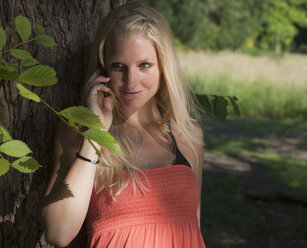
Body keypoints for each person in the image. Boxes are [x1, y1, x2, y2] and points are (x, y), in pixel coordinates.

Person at [39, 2, 205, 247]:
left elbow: (194, 228)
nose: (130, 81)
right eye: (119, 66)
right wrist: (95, 136)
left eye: (144, 65)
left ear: (163, 67)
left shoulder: (188, 135)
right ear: (102, 67)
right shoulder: (78, 132)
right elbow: (58, 233)